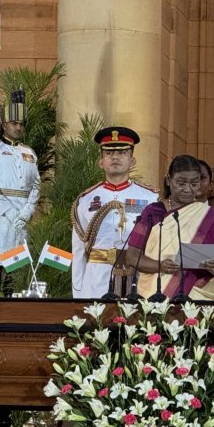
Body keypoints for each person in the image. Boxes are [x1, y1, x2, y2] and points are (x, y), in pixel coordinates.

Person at [127, 154, 214, 301]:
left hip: (199, 294)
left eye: (194, 184)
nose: (188, 189)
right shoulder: (153, 213)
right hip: (155, 293)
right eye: (181, 183)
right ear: (169, 181)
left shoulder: (212, 217)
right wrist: (160, 266)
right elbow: (132, 256)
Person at [71, 127, 158, 298]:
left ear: (132, 161)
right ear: (101, 161)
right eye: (109, 153)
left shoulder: (150, 198)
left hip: (138, 275)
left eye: (122, 152)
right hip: (97, 277)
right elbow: (79, 248)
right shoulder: (86, 200)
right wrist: (79, 290)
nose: (115, 157)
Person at [0, 90, 41, 289]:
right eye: (14, 123)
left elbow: (37, 185)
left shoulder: (29, 153)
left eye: (22, 124)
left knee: (18, 263)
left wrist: (27, 211)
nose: (18, 127)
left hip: (23, 213)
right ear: (4, 125)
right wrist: (9, 211)